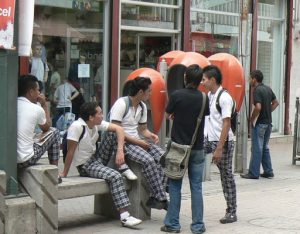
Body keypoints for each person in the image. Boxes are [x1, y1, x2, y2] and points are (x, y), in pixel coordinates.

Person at [59, 102, 141, 227]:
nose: (102, 116)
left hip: (96, 159)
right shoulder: (76, 127)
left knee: (114, 133)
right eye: (100, 113)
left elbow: (119, 129)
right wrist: (64, 173)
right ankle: (125, 216)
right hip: (85, 166)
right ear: (91, 117)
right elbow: (70, 152)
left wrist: (120, 151)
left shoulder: (95, 124)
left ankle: (122, 166)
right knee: (115, 176)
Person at [161, 64, 209, 234]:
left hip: (178, 149)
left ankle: (173, 225)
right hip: (197, 148)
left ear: (185, 78)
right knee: (196, 186)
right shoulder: (204, 98)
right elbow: (203, 117)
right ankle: (197, 226)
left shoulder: (177, 95)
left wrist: (176, 115)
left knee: (175, 186)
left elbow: (167, 115)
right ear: (200, 81)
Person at [109, 76, 168, 210]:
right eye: (149, 91)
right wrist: (139, 142)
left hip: (137, 141)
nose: (150, 94)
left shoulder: (142, 106)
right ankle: (161, 197)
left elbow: (143, 129)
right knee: (149, 161)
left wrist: (151, 135)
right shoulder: (121, 104)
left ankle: (157, 195)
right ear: (141, 92)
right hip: (122, 143)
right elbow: (116, 130)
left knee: (165, 158)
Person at [202, 65, 237, 224]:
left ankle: (231, 210)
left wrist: (219, 148)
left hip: (222, 142)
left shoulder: (224, 98)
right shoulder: (209, 95)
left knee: (226, 176)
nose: (202, 82)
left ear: (213, 80)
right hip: (208, 139)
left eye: (204, 79)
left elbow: (226, 123)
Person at [17, 75, 61, 182]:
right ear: (31, 92)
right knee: (55, 132)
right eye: (38, 90)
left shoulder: (11, 104)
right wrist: (44, 105)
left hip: (10, 158)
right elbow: (47, 127)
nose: (39, 93)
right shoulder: (36, 108)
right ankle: (55, 172)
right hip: (26, 159)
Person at [241, 70, 279, 179]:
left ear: (254, 79)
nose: (249, 80)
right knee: (264, 147)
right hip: (268, 123)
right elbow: (276, 102)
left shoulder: (257, 90)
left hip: (260, 123)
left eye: (250, 78)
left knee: (257, 148)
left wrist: (252, 118)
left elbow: (258, 107)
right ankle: (268, 171)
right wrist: (268, 111)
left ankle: (253, 173)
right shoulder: (268, 88)